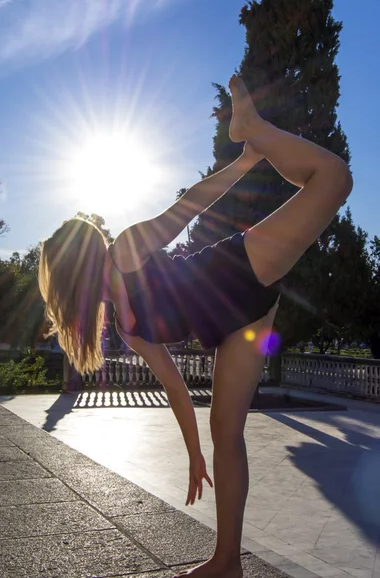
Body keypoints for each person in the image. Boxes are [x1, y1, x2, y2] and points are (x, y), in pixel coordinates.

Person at [39, 76, 352, 578]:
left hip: (234, 270)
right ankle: (226, 561)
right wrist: (192, 455)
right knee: (224, 432)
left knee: (333, 179)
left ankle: (256, 130)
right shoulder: (128, 327)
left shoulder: (126, 249)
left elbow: (188, 208)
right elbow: (176, 389)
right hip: (239, 326)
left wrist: (245, 160)